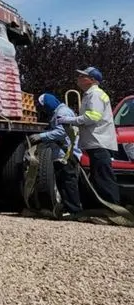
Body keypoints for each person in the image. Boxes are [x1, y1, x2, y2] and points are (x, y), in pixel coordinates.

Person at [58, 66, 121, 204]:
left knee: (103, 177)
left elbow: (92, 117)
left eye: (82, 76)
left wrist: (70, 120)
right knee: (100, 177)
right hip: (97, 142)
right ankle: (105, 206)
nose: (79, 78)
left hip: (98, 142)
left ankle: (112, 208)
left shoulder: (95, 95)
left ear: (92, 80)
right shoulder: (92, 94)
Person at [28, 93, 82, 216]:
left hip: (67, 154)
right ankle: (67, 208)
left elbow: (62, 132)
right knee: (62, 182)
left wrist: (41, 136)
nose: (44, 109)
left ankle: (74, 210)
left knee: (68, 182)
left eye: (44, 106)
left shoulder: (62, 112)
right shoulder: (58, 112)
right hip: (62, 154)